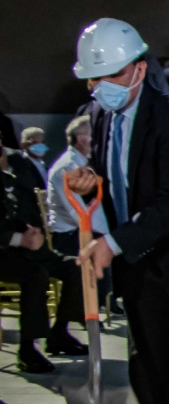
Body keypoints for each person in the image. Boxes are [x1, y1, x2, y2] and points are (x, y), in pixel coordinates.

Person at [65, 17, 169, 404]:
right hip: (136, 260)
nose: (103, 87)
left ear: (139, 68)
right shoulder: (98, 114)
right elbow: (117, 176)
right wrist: (89, 184)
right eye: (94, 79)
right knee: (145, 359)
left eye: (112, 75)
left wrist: (112, 243)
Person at [0, 149, 85, 372]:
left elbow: (27, 207)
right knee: (36, 275)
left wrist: (33, 232)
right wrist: (19, 239)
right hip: (4, 252)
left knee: (78, 266)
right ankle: (28, 348)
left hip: (31, 248)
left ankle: (60, 334)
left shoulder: (17, 166)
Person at [46, 115, 115, 310]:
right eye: (95, 134)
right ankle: (87, 309)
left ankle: (107, 299)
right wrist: (105, 236)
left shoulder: (88, 163)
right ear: (82, 138)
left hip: (86, 230)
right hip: (69, 234)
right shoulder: (68, 166)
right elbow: (76, 211)